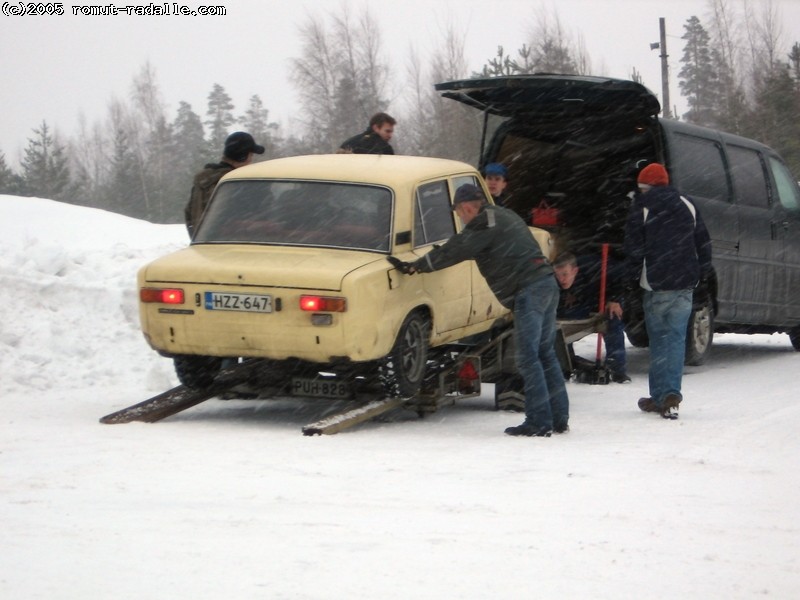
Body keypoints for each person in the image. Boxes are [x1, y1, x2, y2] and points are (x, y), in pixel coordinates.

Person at [389, 183, 569, 437]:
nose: (460, 217)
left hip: (529, 290)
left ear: (468, 207)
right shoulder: (503, 215)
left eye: (459, 212)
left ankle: (539, 421)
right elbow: (463, 244)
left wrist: (416, 266)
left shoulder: (484, 224)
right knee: (545, 354)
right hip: (545, 284)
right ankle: (559, 417)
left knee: (528, 358)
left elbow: (455, 249)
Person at [623, 163, 712, 418]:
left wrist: (628, 283)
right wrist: (702, 273)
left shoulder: (641, 206)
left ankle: (661, 393)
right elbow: (703, 242)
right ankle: (668, 394)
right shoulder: (688, 203)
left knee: (659, 340)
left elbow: (634, 248)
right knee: (674, 338)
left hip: (656, 282)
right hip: (685, 282)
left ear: (644, 185)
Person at [553, 252, 630, 383]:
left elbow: (623, 275)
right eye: (558, 275)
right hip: (585, 298)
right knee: (560, 324)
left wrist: (614, 299)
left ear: (575, 270)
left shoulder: (595, 266)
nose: (562, 280)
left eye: (565, 274)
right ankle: (566, 365)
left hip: (607, 295)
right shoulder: (554, 279)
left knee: (612, 320)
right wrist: (569, 293)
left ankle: (617, 370)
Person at [184, 131, 265, 236]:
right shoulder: (235, 184)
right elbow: (236, 224)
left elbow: (189, 215)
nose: (251, 161)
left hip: (203, 247)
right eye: (251, 156)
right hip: (230, 247)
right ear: (243, 157)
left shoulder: (203, 182)